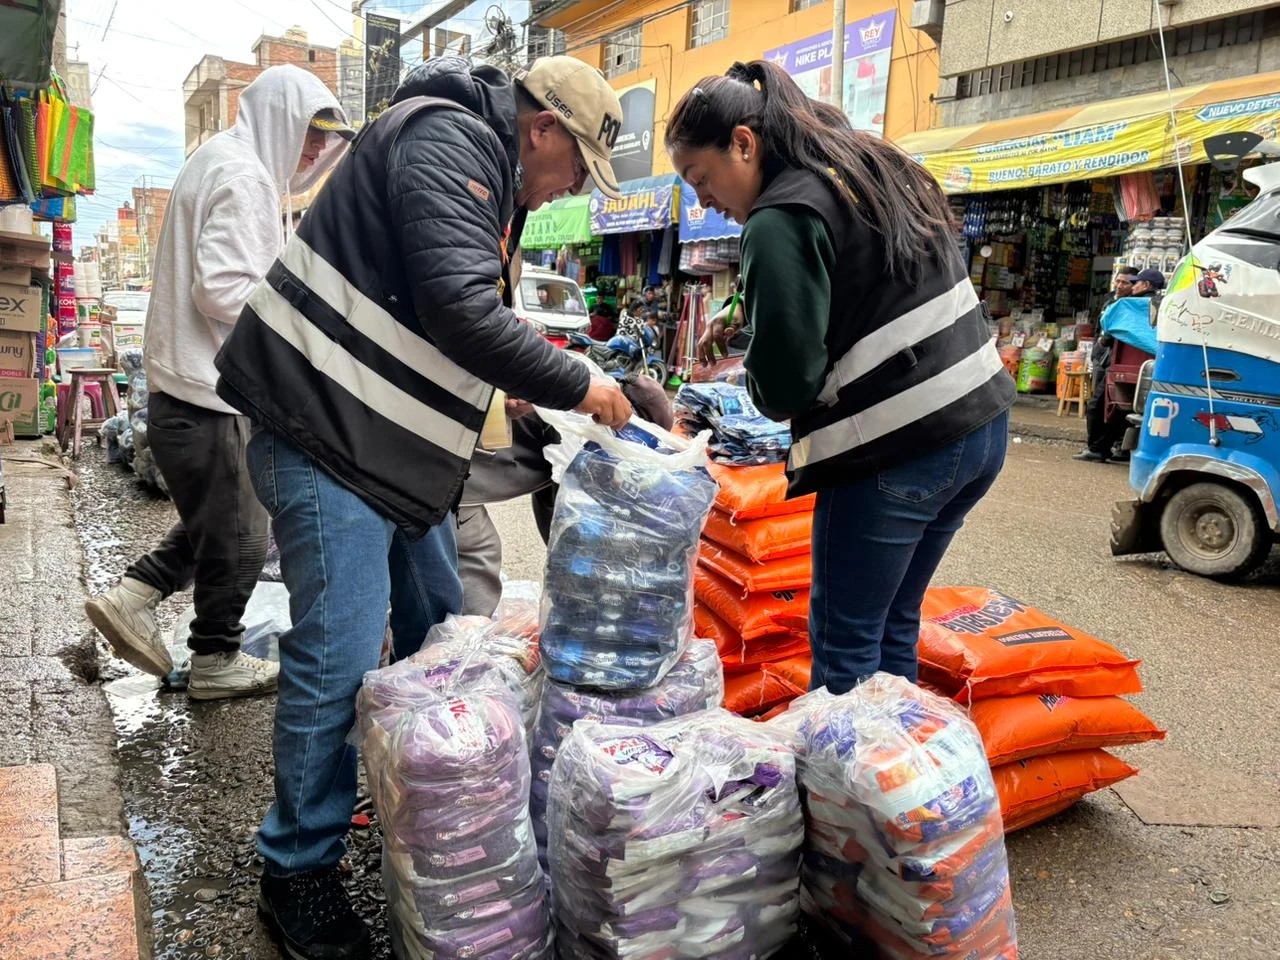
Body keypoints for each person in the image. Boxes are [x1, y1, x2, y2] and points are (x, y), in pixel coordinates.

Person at [213, 55, 632, 960]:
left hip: (381, 451)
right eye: (575, 169)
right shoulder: (452, 143)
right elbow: (457, 307)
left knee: (444, 632)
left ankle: (414, 792)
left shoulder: (481, 165)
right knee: (338, 655)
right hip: (322, 429)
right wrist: (579, 385)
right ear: (544, 130)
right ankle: (297, 869)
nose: (568, 191)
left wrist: (509, 391)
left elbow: (435, 315)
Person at [667, 61, 1015, 694]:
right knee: (891, 626)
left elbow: (785, 389)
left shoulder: (777, 220)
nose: (704, 202)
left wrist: (751, 365)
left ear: (744, 143)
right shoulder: (868, 164)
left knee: (847, 642)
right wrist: (753, 301)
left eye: (701, 179)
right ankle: (902, 781)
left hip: (898, 446)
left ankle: (850, 789)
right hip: (981, 425)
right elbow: (861, 271)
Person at [83, 66, 353, 700]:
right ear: (281, 118)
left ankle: (135, 594)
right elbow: (223, 288)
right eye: (311, 134)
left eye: (326, 140)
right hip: (207, 393)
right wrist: (301, 326)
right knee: (241, 535)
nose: (316, 151)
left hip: (185, 388)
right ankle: (215, 660)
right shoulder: (245, 177)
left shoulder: (222, 161)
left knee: (224, 519)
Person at [1075, 267, 1164, 464]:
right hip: (1152, 367)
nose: (1132, 286)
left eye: (1136, 282)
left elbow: (1110, 333)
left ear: (1146, 285)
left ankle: (1097, 449)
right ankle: (1117, 448)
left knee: (1099, 408)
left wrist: (1102, 341)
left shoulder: (1128, 305)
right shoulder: (1164, 305)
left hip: (1122, 364)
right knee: (1128, 411)